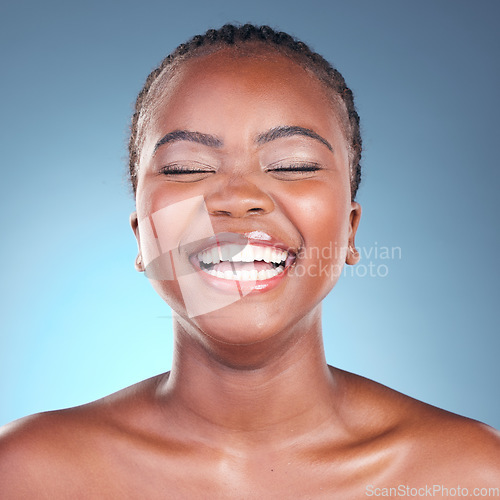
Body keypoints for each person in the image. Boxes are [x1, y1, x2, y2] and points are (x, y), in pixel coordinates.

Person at [0, 24, 498, 498]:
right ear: (141, 236)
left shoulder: (472, 475)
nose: (238, 198)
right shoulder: (26, 472)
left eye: (293, 165)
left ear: (350, 228)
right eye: (186, 168)